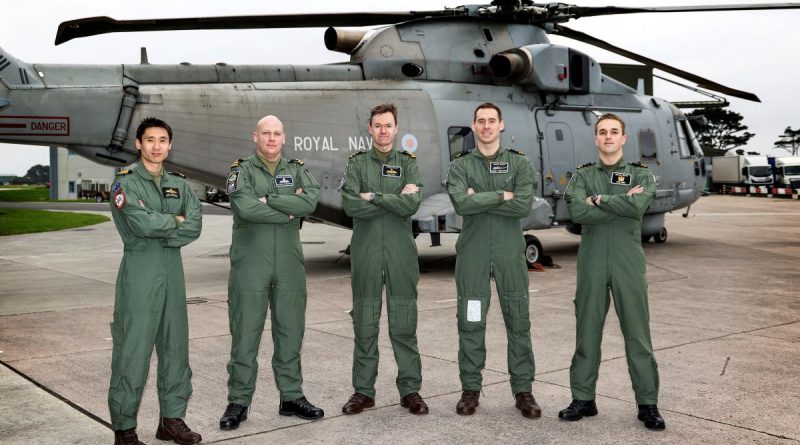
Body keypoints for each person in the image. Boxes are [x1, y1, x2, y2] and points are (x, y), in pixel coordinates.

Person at [560, 113, 665, 430]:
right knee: (587, 330)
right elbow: (577, 212)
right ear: (595, 139)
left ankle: (648, 404)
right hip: (591, 259)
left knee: (637, 333)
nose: (608, 136)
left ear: (624, 138)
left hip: (627, 259)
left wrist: (599, 200)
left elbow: (638, 207)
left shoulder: (641, 175)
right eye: (602, 132)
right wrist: (617, 202)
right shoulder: (582, 176)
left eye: (614, 132)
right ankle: (583, 398)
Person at [219, 115, 324, 430]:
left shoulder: (297, 169)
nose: (272, 138)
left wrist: (272, 201)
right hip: (251, 263)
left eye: (277, 133)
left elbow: (311, 201)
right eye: (266, 133)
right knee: (245, 333)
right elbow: (245, 208)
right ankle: (238, 402)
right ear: (255, 136)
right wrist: (289, 211)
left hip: (289, 264)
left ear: (284, 137)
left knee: (291, 332)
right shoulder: (241, 170)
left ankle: (291, 397)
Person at [108, 117, 203, 445]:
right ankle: (124, 428)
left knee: (176, 348)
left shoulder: (180, 183)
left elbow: (194, 225)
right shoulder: (125, 182)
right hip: (140, 273)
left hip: (172, 274)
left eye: (163, 140)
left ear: (170, 144)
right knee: (132, 351)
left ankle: (171, 421)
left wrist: (162, 224)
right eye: (150, 140)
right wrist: (172, 221)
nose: (157, 146)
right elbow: (138, 224)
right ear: (138, 144)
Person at [446, 103, 540, 418]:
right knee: (471, 322)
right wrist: (503, 195)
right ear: (473, 126)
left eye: (491, 121)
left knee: (518, 321)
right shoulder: (460, 165)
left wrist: (479, 199)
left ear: (501, 125)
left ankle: (523, 391)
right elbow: (461, 203)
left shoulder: (519, 163)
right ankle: (470, 390)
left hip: (510, 255)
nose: (486, 126)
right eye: (481, 121)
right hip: (472, 255)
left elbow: (524, 205)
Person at [340, 103, 428, 416]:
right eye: (377, 125)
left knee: (404, 322)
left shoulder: (409, 163)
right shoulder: (357, 164)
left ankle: (411, 390)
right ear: (370, 129)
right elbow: (350, 205)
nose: (383, 131)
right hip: (365, 251)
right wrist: (394, 199)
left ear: (396, 128)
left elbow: (412, 204)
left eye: (388, 125)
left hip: (400, 251)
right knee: (365, 321)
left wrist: (373, 197)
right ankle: (363, 391)